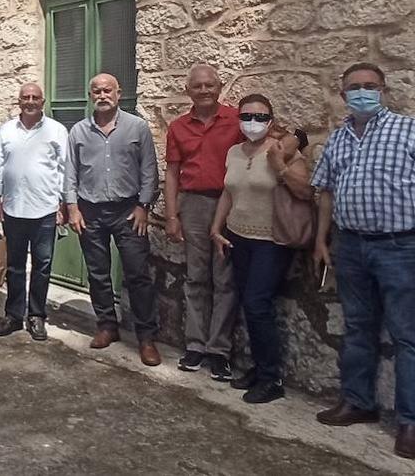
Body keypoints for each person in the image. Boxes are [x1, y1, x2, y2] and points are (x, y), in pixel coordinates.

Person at [311, 62, 415, 459]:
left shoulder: (407, 131)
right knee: (357, 326)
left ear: (384, 90)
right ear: (343, 96)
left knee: (407, 335)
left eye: (370, 86)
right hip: (350, 246)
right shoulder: (338, 139)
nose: (362, 93)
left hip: (400, 246)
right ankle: (357, 401)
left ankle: (410, 422)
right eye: (354, 87)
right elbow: (325, 193)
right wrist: (322, 240)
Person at [207, 94, 310, 404]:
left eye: (261, 117)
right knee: (250, 305)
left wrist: (279, 166)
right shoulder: (234, 152)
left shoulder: (286, 153)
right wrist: (216, 227)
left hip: (272, 241)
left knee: (257, 303)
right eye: (247, 116)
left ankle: (271, 377)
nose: (253, 123)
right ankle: (260, 367)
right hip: (239, 237)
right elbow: (229, 192)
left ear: (271, 121)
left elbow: (307, 191)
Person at [65, 73, 161, 366]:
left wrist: (144, 206)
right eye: (97, 91)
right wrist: (72, 207)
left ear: (119, 93)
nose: (103, 95)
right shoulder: (79, 132)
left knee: (138, 274)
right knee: (98, 273)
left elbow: (149, 170)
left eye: (108, 90)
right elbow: (70, 173)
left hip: (128, 211)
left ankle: (146, 338)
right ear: (90, 95)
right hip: (90, 211)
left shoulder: (137, 128)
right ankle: (107, 326)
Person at [163, 64, 243, 381]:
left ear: (220, 87)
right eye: (198, 86)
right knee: (196, 277)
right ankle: (195, 345)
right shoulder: (178, 127)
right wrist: (171, 216)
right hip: (193, 204)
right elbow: (171, 173)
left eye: (210, 85)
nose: (205, 90)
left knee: (225, 280)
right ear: (188, 91)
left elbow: (270, 142)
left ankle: (218, 351)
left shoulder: (237, 120)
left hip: (230, 204)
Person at [0, 83, 68, 342]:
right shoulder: (7, 129)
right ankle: (13, 315)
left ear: (43, 102)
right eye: (25, 97)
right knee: (15, 266)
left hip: (45, 209)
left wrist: (63, 204)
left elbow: (64, 169)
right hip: (13, 208)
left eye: (35, 97)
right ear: (19, 101)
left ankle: (36, 316)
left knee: (42, 266)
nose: (30, 101)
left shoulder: (56, 130)